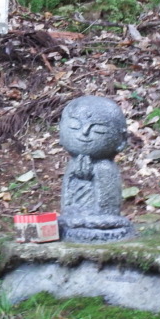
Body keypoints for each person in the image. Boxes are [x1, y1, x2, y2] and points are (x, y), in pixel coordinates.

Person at [58, 96, 135, 243]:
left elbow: (108, 196)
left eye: (98, 130)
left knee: (103, 169)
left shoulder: (105, 167)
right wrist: (76, 175)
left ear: (121, 140)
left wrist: (95, 173)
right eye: (75, 126)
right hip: (73, 218)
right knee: (69, 219)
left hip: (103, 217)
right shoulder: (73, 164)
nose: (84, 133)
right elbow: (68, 196)